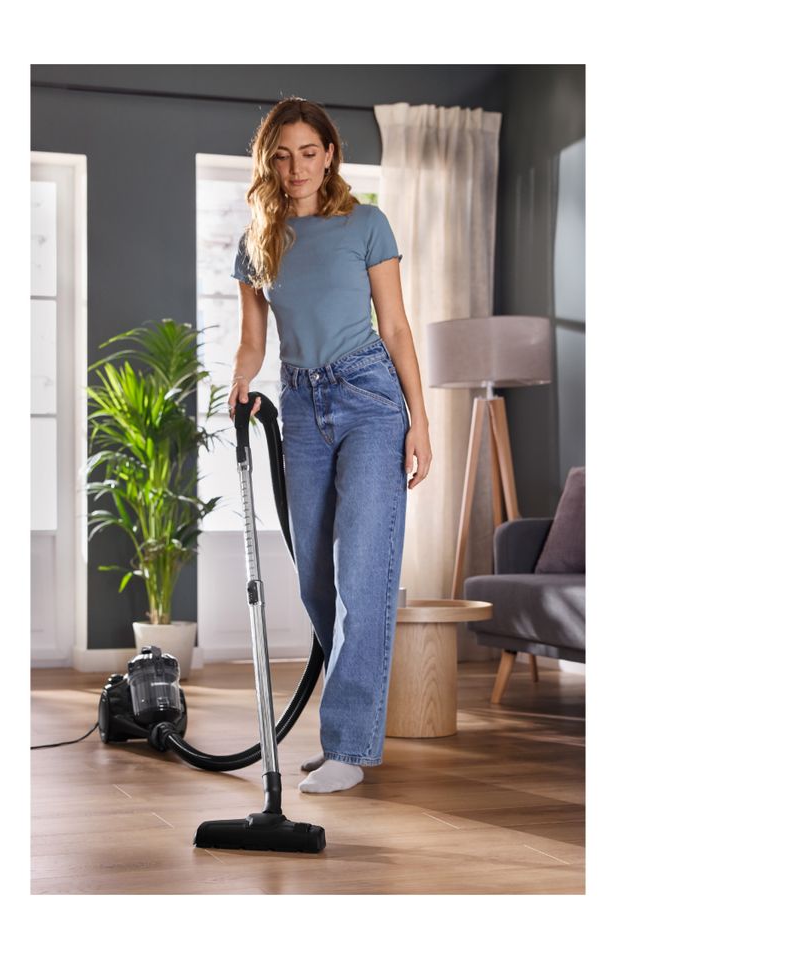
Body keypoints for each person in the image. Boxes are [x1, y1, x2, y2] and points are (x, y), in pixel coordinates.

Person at [227, 97, 432, 793]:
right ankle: (347, 731)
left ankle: (348, 744)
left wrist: (421, 422)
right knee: (317, 575)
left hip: (371, 400)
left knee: (362, 574)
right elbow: (254, 340)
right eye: (281, 156)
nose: (296, 168)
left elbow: (398, 328)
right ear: (268, 163)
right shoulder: (258, 242)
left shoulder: (366, 224)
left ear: (330, 155)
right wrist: (238, 383)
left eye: (308, 152)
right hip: (299, 400)